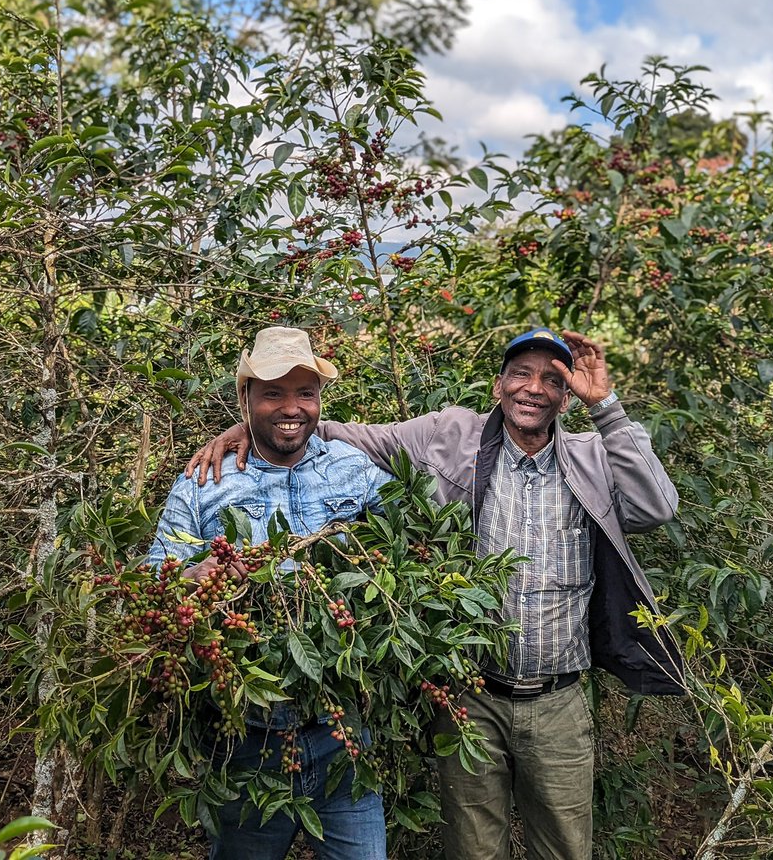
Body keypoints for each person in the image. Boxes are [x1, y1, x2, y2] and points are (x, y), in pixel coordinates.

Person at [187, 327, 683, 860]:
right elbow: (347, 435)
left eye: (551, 379)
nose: (533, 388)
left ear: (566, 395)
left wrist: (605, 406)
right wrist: (253, 427)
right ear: (498, 386)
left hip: (559, 700)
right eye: (520, 374)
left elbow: (656, 507)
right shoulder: (450, 434)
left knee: (564, 848)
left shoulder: (590, 455)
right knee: (471, 850)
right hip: (469, 695)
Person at [148, 326, 391, 860]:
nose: (291, 407)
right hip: (244, 742)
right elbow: (151, 579)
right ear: (246, 400)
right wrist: (194, 576)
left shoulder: (354, 470)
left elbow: (408, 543)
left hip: (340, 733)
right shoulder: (203, 482)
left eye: (305, 392)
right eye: (274, 392)